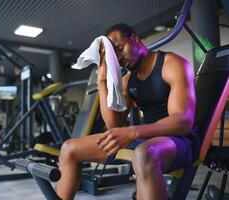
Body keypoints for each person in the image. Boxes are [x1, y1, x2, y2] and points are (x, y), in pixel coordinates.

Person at [56, 23, 200, 200]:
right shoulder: (127, 81)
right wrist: (101, 82)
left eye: (120, 48)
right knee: (69, 148)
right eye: (113, 55)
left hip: (179, 141)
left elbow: (183, 122)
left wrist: (132, 132)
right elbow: (114, 125)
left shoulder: (172, 64)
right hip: (144, 139)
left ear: (135, 38)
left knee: (144, 154)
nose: (118, 57)